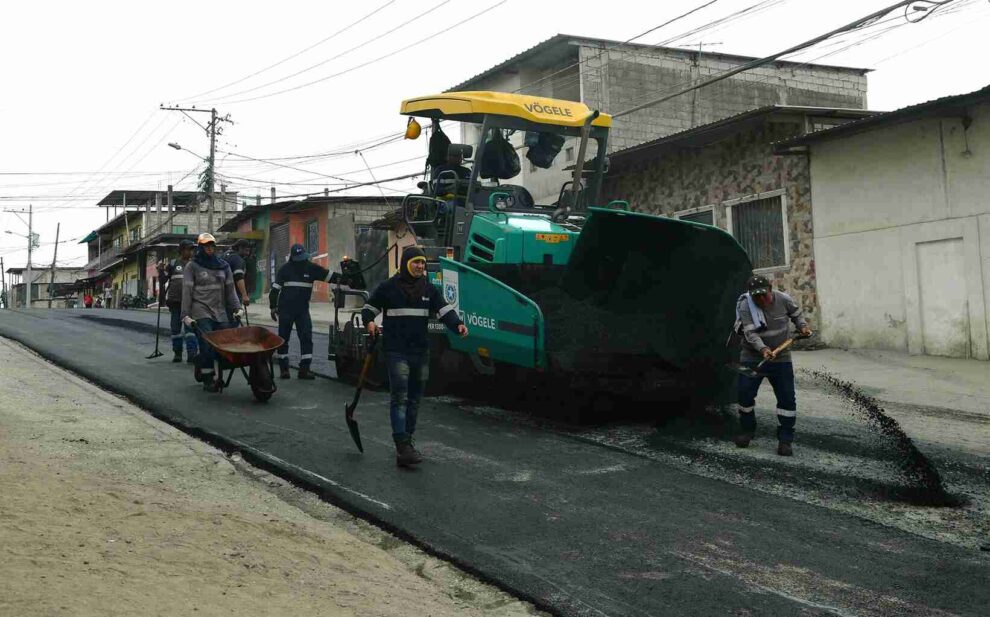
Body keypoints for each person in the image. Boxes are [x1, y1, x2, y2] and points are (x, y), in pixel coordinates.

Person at [361, 246, 468, 467]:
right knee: (400, 396)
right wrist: (369, 321)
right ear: (405, 264)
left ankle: (407, 442)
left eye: (422, 263)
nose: (420, 266)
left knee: (415, 399)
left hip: (420, 351)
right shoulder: (389, 288)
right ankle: (402, 444)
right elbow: (370, 307)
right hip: (396, 350)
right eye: (415, 262)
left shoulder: (428, 289)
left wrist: (457, 325)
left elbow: (444, 310)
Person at [734, 274, 812, 456]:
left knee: (787, 399)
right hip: (753, 357)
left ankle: (785, 440)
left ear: (771, 289)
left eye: (764, 295)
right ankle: (747, 430)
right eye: (756, 296)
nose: (761, 299)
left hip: (781, 357)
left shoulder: (783, 299)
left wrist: (802, 326)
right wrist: (763, 349)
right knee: (744, 395)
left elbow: (796, 314)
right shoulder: (746, 305)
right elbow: (751, 333)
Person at [181, 233, 243, 392]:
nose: (209, 248)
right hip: (200, 309)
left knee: (224, 343)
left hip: (220, 310)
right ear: (200, 247)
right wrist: (185, 315)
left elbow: (230, 291)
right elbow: (187, 291)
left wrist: (237, 308)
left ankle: (203, 364)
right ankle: (208, 378)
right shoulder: (192, 266)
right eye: (206, 245)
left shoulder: (224, 266)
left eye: (211, 245)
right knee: (207, 342)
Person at [269, 243, 336, 380]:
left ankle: (304, 370)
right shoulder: (285, 270)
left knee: (306, 338)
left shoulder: (311, 268)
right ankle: (284, 370)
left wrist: (349, 278)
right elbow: (274, 291)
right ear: (292, 258)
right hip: (285, 309)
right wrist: (273, 307)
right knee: (283, 339)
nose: (301, 261)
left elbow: (329, 276)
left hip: (302, 310)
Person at [157, 239, 199, 363]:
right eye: (188, 249)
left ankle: (192, 354)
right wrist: (160, 270)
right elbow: (164, 280)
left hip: (191, 302)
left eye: (192, 249)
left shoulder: (195, 264)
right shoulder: (173, 264)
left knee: (190, 329)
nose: (191, 252)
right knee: (175, 329)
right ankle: (178, 354)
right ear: (181, 250)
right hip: (175, 301)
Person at [222, 239, 253, 322]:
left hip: (221, 294)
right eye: (246, 250)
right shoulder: (238, 259)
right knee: (234, 321)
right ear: (240, 248)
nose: (247, 253)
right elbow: (239, 277)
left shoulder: (225, 256)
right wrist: (244, 295)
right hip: (233, 295)